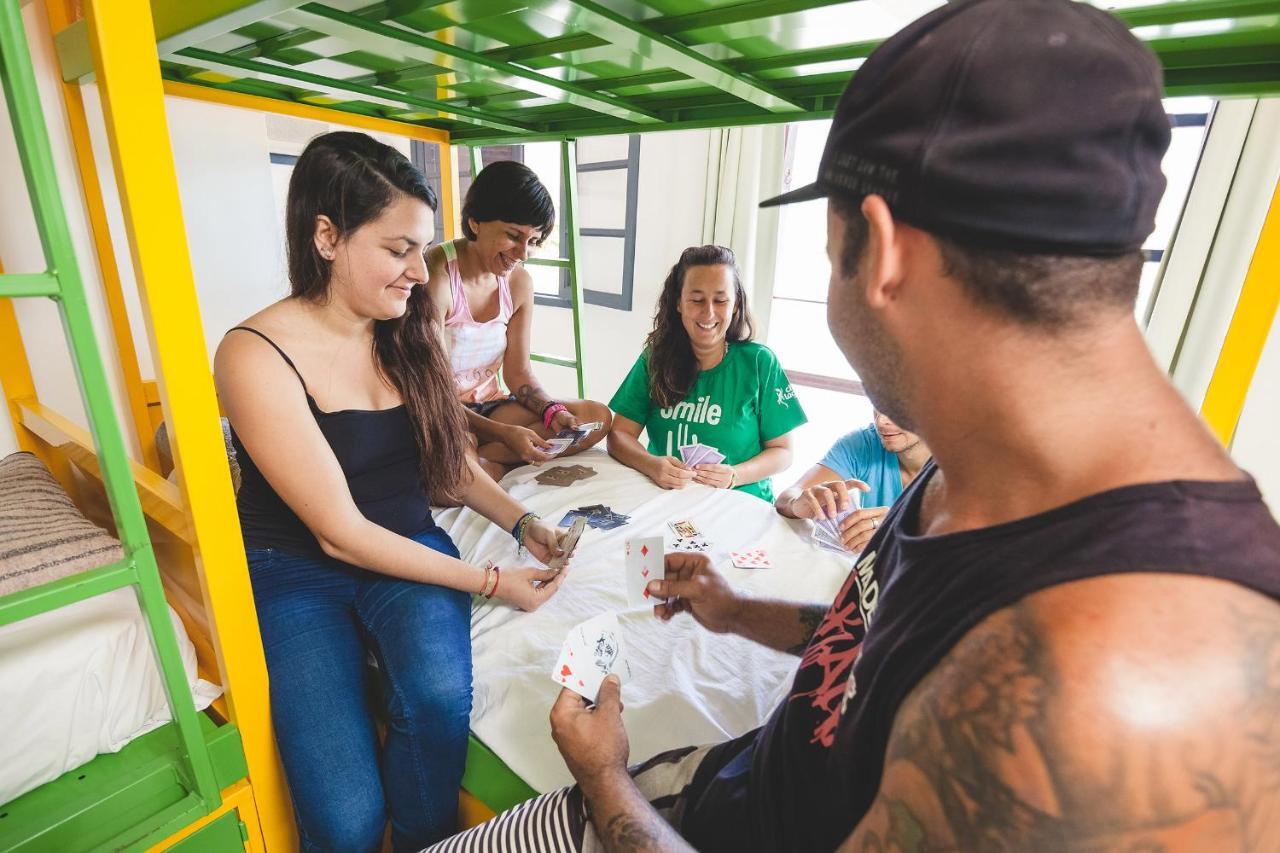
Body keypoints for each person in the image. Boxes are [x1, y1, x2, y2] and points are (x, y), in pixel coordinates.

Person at [427, 1, 1280, 850]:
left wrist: (605, 777)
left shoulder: (1128, 680)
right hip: (724, 781)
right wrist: (733, 610)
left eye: (829, 252)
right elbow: (875, 644)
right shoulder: (985, 459)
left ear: (884, 249)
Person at [214, 132, 570, 852]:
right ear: (327, 236)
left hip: (406, 537)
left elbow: (448, 461)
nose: (419, 269)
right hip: (295, 570)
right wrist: (493, 579)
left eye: (424, 248)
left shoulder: (403, 330)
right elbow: (339, 532)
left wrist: (522, 520)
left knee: (437, 697)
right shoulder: (252, 353)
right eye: (399, 248)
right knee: (345, 818)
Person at [426, 160, 611, 481]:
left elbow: (518, 373)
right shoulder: (437, 275)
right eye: (514, 236)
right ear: (476, 222)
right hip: (443, 411)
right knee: (456, 449)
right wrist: (503, 434)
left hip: (491, 405)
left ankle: (484, 466)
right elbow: (432, 392)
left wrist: (552, 410)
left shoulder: (518, 283)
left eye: (534, 241)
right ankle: (485, 464)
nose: (523, 253)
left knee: (596, 417)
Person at [606, 245, 807, 501]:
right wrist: (651, 465)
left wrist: (736, 474)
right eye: (697, 299)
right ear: (678, 302)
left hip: (740, 505)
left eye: (721, 300)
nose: (709, 312)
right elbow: (618, 436)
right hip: (667, 503)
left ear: (736, 305)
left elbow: (783, 452)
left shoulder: (759, 362)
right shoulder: (654, 359)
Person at [775, 410, 930, 553]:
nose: (881, 421)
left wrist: (899, 530)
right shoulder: (862, 444)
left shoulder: (952, 466)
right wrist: (797, 505)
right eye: (877, 404)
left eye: (896, 407)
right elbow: (786, 499)